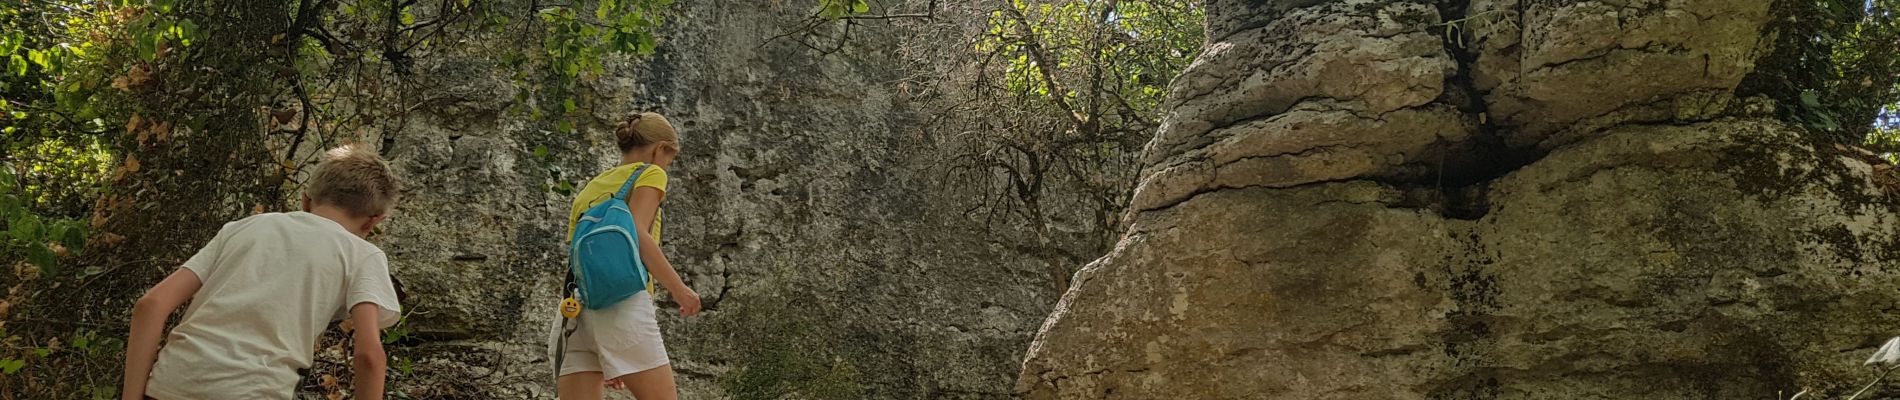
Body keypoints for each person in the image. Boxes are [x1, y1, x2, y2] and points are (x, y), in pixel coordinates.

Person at [120, 144, 404, 400]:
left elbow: (151, 305)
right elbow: (368, 356)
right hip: (255, 389)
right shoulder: (362, 254)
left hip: (172, 382)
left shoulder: (243, 228)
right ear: (372, 222)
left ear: (306, 201)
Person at [556, 112, 702, 400]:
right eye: (670, 158)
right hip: (621, 307)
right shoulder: (652, 173)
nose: (667, 166)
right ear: (660, 148)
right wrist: (680, 290)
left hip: (573, 312)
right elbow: (637, 231)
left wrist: (607, 350)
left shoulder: (591, 187)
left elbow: (577, 254)